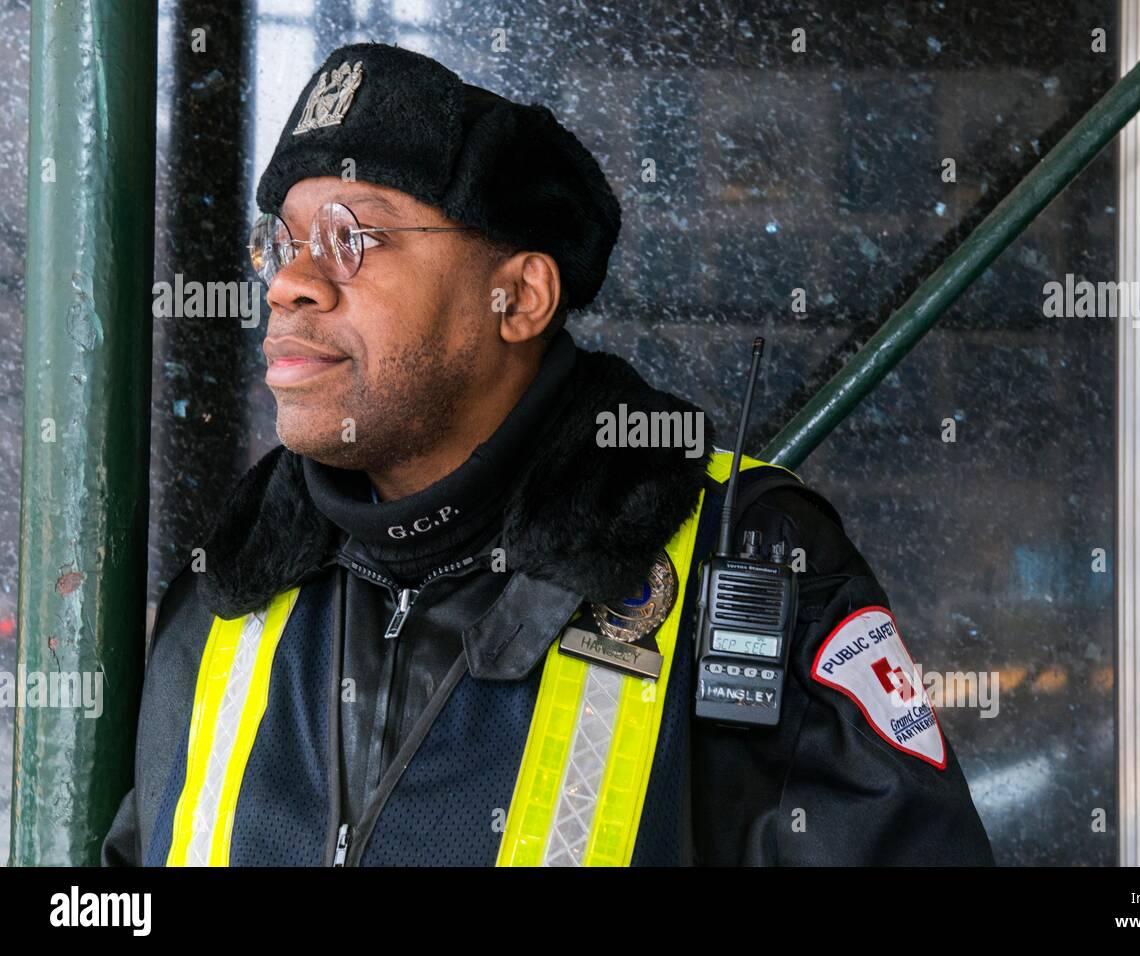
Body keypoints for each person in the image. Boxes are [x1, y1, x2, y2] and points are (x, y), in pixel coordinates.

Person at [102, 42, 994, 867]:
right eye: (284, 243)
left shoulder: (750, 562)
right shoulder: (227, 593)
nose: (293, 280)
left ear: (520, 297)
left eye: (355, 236)